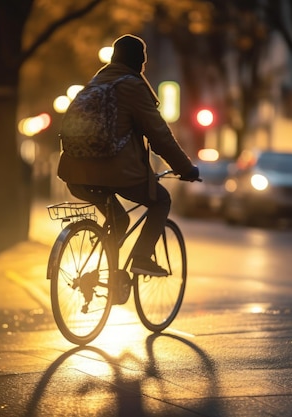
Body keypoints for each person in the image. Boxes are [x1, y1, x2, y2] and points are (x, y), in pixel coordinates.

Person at [57, 34, 199, 276]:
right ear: (138, 62)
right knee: (161, 200)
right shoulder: (131, 87)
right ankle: (142, 258)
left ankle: (107, 274)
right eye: (142, 61)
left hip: (75, 174)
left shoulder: (93, 84)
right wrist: (185, 168)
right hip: (116, 173)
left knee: (120, 220)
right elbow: (159, 136)